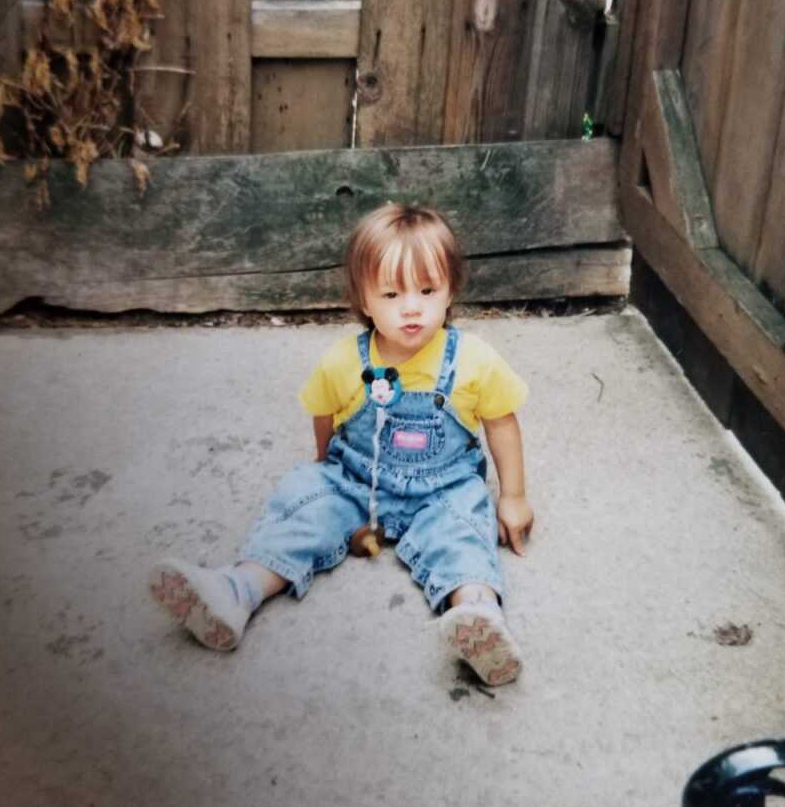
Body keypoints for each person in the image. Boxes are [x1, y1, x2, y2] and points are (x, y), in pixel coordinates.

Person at [148, 204, 534, 685]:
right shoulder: (343, 361)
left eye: (428, 290)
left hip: (444, 487)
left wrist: (512, 496)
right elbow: (323, 410)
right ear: (365, 301)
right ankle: (238, 589)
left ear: (450, 289)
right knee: (304, 507)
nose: (412, 307)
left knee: (463, 534)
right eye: (392, 294)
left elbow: (501, 423)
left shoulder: (474, 360)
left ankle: (479, 616)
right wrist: (322, 469)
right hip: (358, 478)